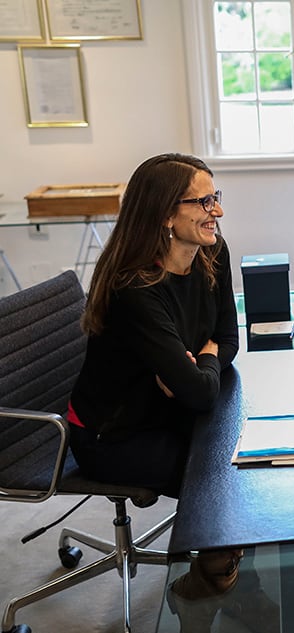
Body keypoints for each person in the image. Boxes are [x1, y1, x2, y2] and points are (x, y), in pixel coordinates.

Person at [68, 153, 238, 497]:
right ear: (165, 215)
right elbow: (201, 393)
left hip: (170, 409)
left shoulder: (212, 253)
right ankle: (212, 552)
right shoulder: (134, 288)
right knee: (223, 474)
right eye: (204, 202)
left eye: (215, 198)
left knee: (244, 445)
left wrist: (196, 371)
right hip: (115, 436)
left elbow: (229, 339)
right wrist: (202, 369)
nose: (216, 212)